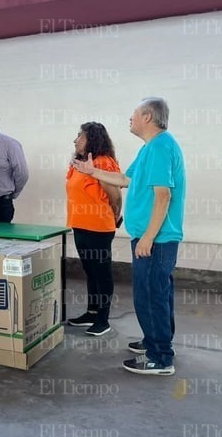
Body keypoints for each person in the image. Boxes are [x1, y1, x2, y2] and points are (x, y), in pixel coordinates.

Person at [72, 97, 185, 376]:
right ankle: (155, 342)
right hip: (151, 237)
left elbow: (163, 196)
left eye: (134, 114)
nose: (130, 119)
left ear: (147, 117)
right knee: (156, 293)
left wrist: (148, 237)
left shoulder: (160, 147)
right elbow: (124, 179)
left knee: (151, 296)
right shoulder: (150, 148)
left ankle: (160, 358)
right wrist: (93, 171)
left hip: (156, 239)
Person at [66, 122, 122, 336]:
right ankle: (91, 312)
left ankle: (103, 319)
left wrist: (115, 215)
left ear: (92, 139)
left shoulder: (104, 163)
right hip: (79, 224)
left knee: (102, 273)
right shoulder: (79, 164)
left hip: (99, 227)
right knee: (90, 271)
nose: (75, 140)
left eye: (79, 136)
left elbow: (115, 195)